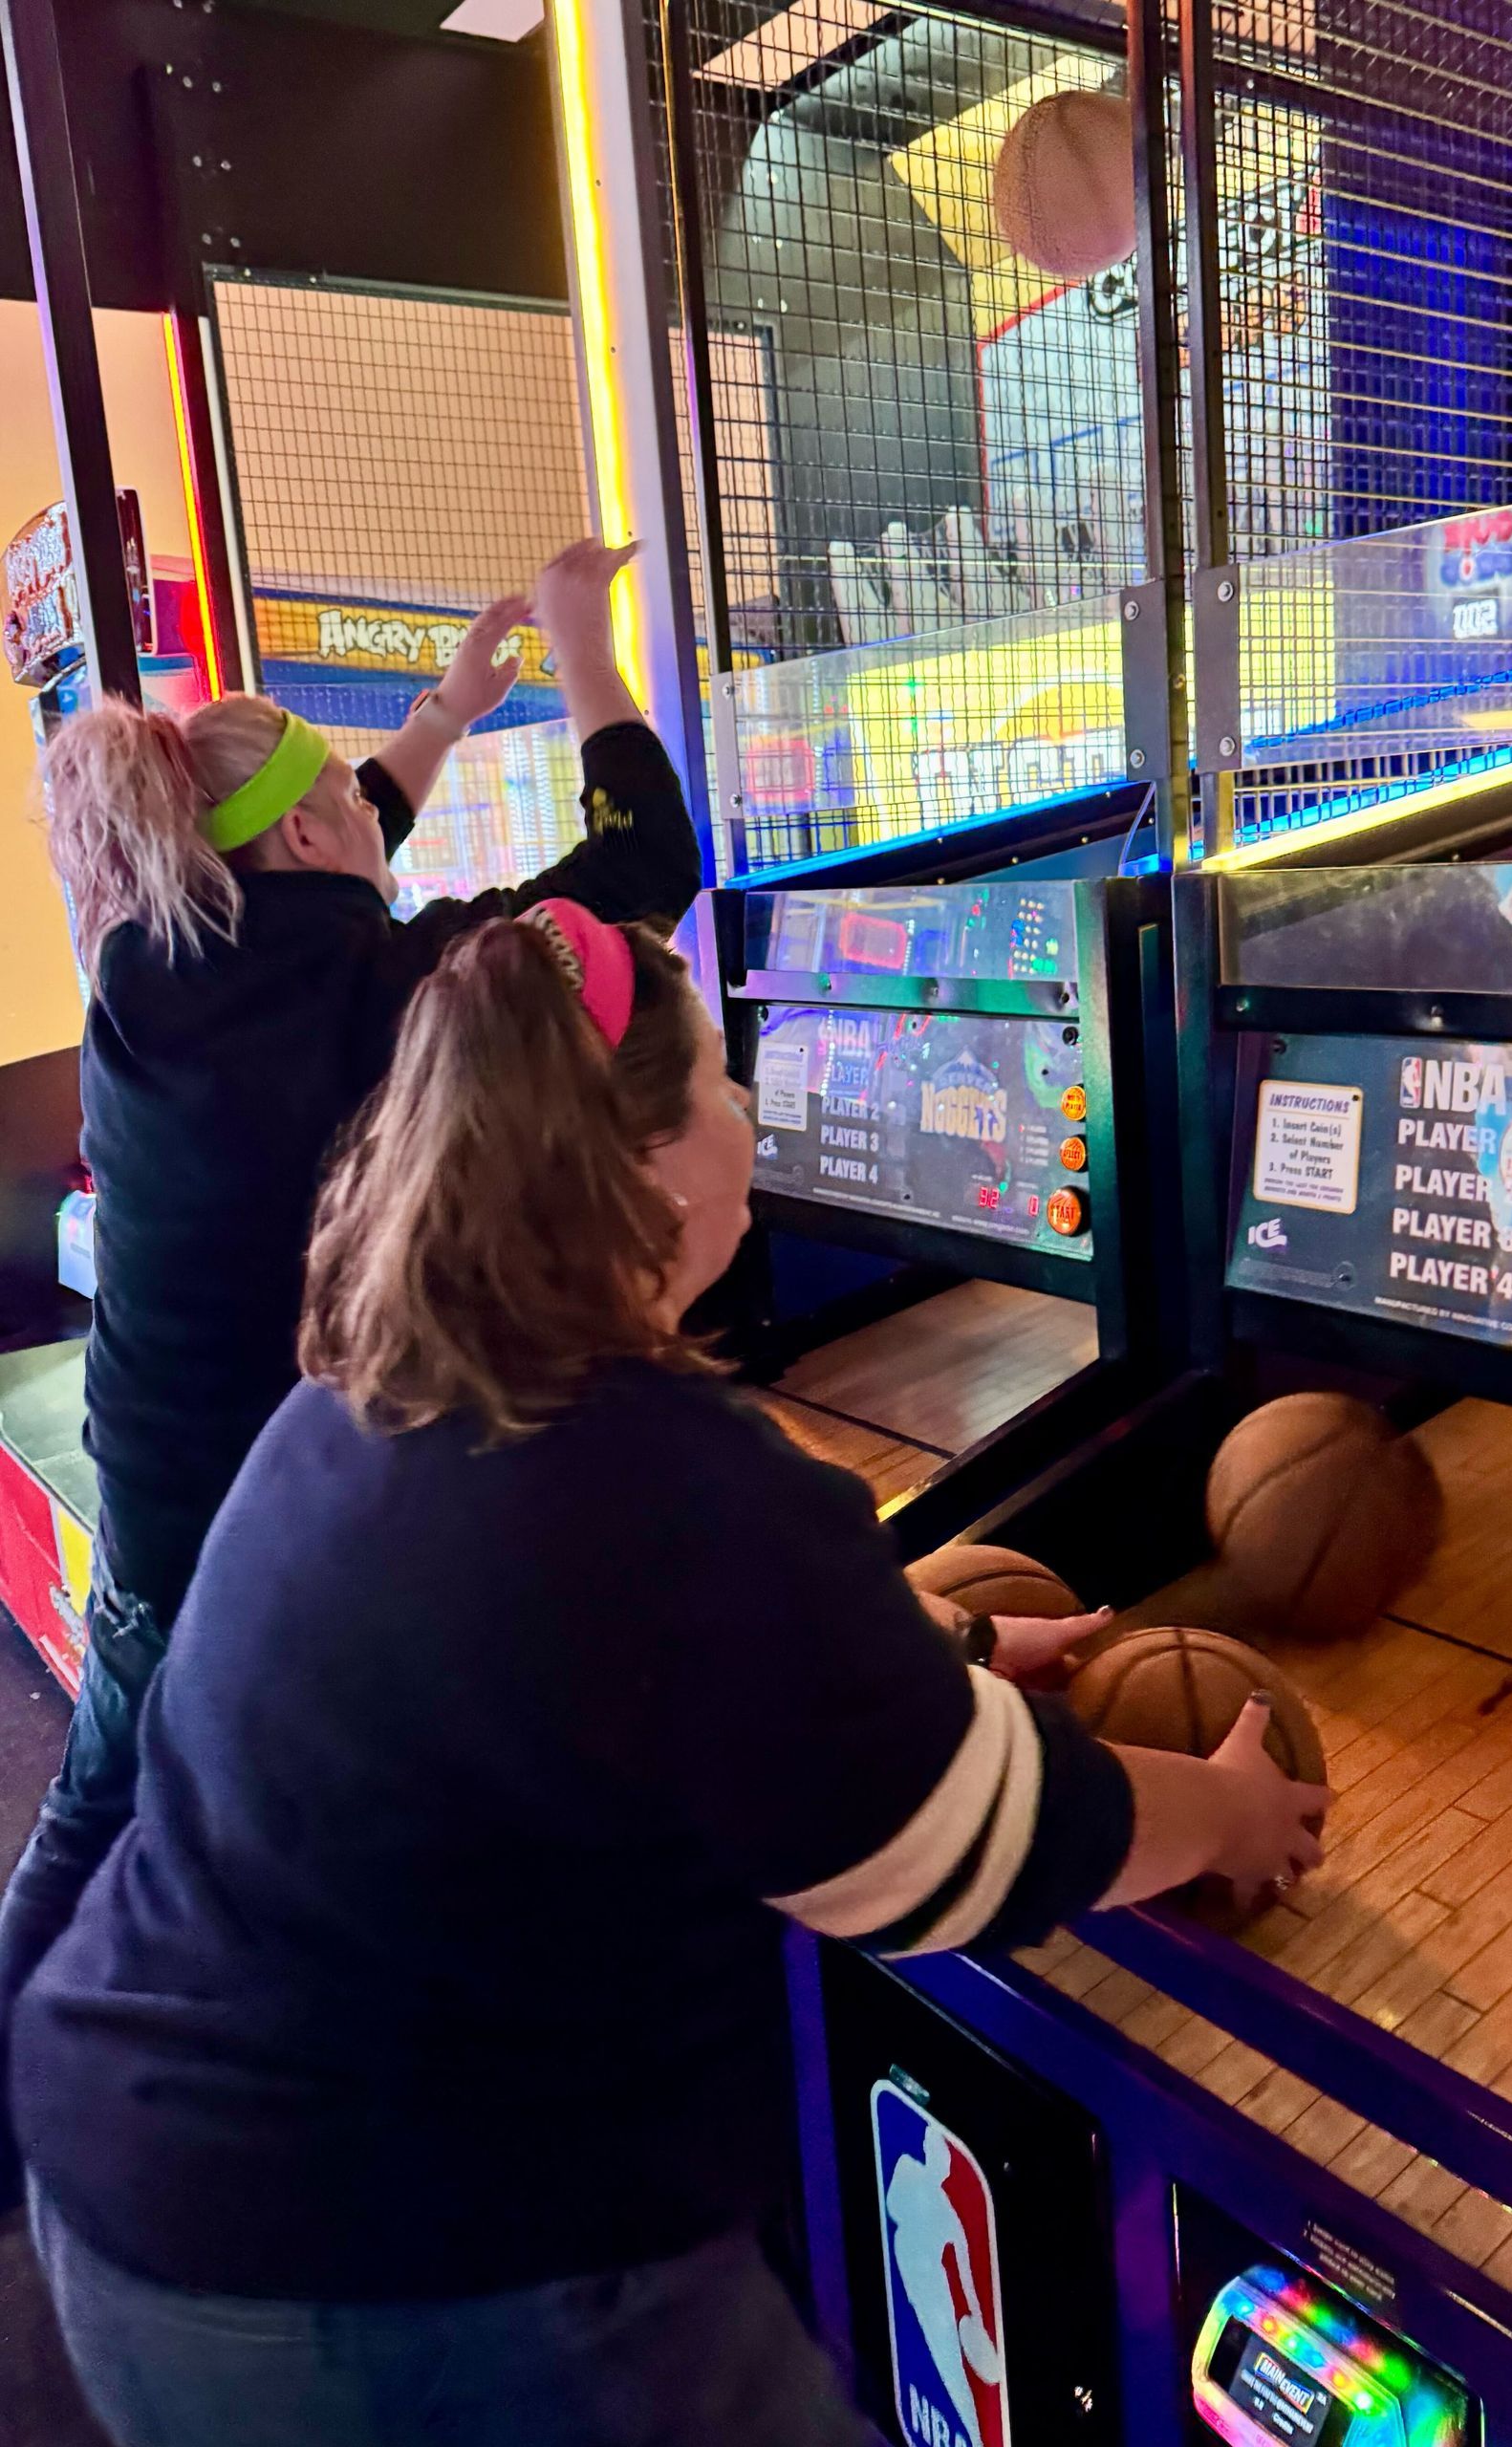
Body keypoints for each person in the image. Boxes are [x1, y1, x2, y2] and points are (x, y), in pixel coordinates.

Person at [11, 900, 1328, 2447]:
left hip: (143, 2192)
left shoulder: (378, 1386)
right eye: (713, 1081)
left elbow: (604, 1657)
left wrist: (945, 1643)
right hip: (389, 2266)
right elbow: (976, 1848)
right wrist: (1227, 1810)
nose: (747, 1110)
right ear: (632, 1169)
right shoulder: (664, 1482)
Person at [0, 542, 702, 2203]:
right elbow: (649, 859)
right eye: (349, 806)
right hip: (267, 1551)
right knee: (211, 1851)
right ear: (309, 839)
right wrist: (588, 651)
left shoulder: (151, 976)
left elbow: (342, 825)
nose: (377, 826)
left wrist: (446, 711)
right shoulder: (384, 995)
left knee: (100, 1822)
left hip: (166, 1509)